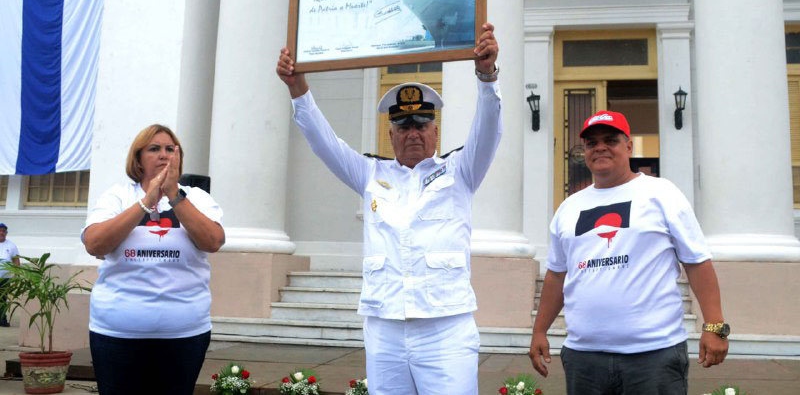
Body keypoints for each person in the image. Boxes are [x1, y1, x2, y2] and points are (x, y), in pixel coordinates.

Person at [276, 22, 501, 395]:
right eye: (403, 124)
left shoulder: (460, 170)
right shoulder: (369, 174)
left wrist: (487, 75)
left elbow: (489, 128)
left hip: (444, 327)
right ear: (391, 133)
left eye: (421, 123)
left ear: (435, 130)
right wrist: (298, 90)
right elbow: (324, 142)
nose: (413, 131)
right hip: (385, 328)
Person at [529, 110, 729, 395]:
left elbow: (697, 262)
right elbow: (556, 276)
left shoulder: (661, 193)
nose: (600, 147)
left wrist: (715, 327)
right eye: (591, 142)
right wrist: (539, 331)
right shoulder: (569, 208)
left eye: (610, 140)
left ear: (629, 146)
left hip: (653, 355)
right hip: (584, 357)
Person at [81, 124, 225, 395]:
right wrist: (146, 202)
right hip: (117, 334)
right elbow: (94, 243)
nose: (164, 155)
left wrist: (174, 196)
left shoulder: (197, 198)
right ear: (137, 159)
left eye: (170, 149)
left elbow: (213, 241)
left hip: (184, 334)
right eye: (154, 149)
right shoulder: (117, 196)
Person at [0, 223, 20, 327]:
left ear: (6, 233)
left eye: (3, 231)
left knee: (3, 299)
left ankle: (2, 319)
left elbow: (16, 261)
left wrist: (16, 276)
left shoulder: (11, 245)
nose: (1, 233)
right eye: (0, 230)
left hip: (5, 278)